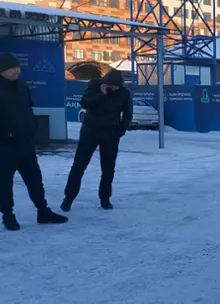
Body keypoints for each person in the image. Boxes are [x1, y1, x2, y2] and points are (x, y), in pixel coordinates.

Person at [0, 52, 69, 231]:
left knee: (35, 180)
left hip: (25, 142)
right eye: (11, 68)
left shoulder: (22, 86)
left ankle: (43, 211)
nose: (16, 71)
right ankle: (8, 215)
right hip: (5, 146)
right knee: (5, 183)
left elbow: (28, 108)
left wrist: (33, 128)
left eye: (17, 67)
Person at [61, 69, 132, 211]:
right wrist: (101, 93)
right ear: (106, 83)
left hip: (110, 134)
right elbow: (85, 103)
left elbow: (127, 114)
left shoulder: (124, 93)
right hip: (90, 132)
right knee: (79, 166)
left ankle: (105, 198)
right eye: (112, 86)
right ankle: (69, 198)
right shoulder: (94, 85)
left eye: (117, 86)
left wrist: (120, 131)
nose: (115, 89)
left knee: (108, 168)